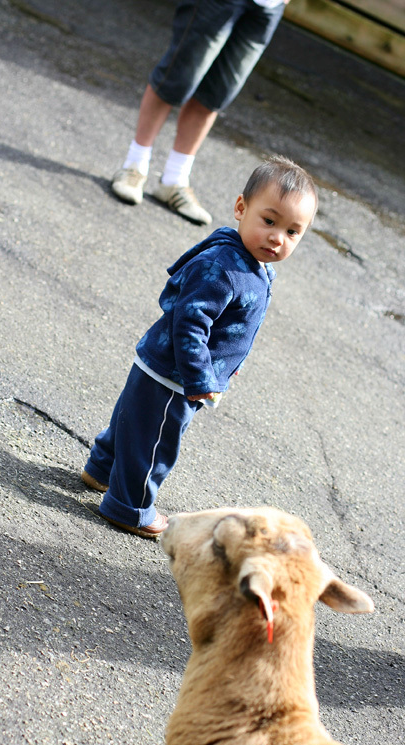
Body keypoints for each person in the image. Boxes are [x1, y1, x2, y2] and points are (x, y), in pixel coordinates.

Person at [83, 156, 318, 538]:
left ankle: (101, 470)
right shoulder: (225, 268)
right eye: (269, 221)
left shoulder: (252, 265)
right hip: (174, 377)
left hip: (163, 366)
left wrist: (223, 369)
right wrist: (200, 378)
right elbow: (190, 324)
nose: (278, 238)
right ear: (241, 208)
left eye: (293, 232)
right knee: (155, 443)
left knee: (132, 423)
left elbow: (230, 329)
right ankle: (129, 508)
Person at [111, 0, 289, 225]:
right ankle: (133, 166)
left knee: (215, 94)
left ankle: (174, 181)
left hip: (269, 6)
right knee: (177, 77)